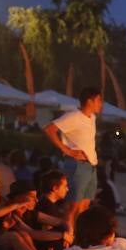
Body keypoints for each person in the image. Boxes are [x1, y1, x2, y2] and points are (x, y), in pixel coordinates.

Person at [42, 86, 102, 230]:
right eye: (99, 100)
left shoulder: (92, 118)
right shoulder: (74, 116)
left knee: (84, 205)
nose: (101, 104)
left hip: (90, 165)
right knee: (72, 206)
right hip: (77, 165)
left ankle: (79, 238)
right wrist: (66, 150)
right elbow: (50, 130)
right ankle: (67, 238)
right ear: (89, 101)